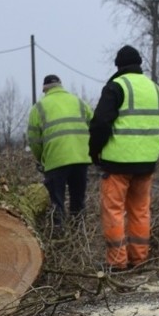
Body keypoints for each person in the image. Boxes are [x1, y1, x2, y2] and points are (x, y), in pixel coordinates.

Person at [89, 45, 159, 270]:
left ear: (118, 66)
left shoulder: (116, 86)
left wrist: (94, 152)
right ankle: (139, 259)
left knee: (113, 211)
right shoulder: (155, 89)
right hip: (146, 162)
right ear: (139, 64)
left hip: (117, 162)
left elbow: (100, 123)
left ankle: (117, 262)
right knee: (140, 210)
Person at [26, 74, 93, 231]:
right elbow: (94, 125)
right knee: (78, 201)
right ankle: (79, 236)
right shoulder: (79, 102)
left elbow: (34, 141)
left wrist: (42, 159)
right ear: (61, 86)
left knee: (57, 203)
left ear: (45, 89)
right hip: (81, 159)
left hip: (55, 160)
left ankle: (60, 235)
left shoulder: (39, 107)